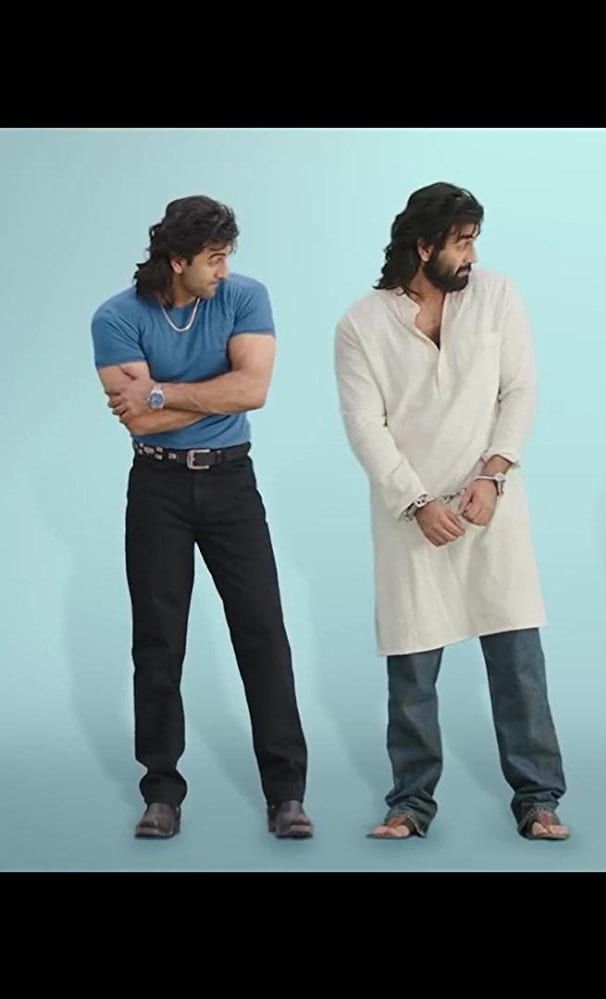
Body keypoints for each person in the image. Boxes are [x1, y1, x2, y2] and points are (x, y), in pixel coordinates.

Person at [333, 181, 569, 842]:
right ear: (423, 246)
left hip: (490, 504)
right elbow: (365, 426)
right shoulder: (360, 325)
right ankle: (410, 804)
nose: (472, 255)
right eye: (462, 242)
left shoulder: (496, 295)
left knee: (517, 660)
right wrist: (415, 502)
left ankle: (538, 799)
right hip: (411, 518)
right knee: (412, 666)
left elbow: (520, 389)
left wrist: (493, 473)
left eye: (474, 241)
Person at [91, 195, 313, 840]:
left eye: (227, 256)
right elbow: (137, 421)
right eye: (214, 258)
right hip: (156, 486)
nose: (224, 269)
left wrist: (162, 391)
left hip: (231, 483)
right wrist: (203, 397)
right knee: (159, 641)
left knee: (263, 632)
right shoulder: (116, 317)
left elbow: (254, 390)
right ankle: (161, 793)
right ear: (177, 259)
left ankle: (287, 795)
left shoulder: (244, 297)